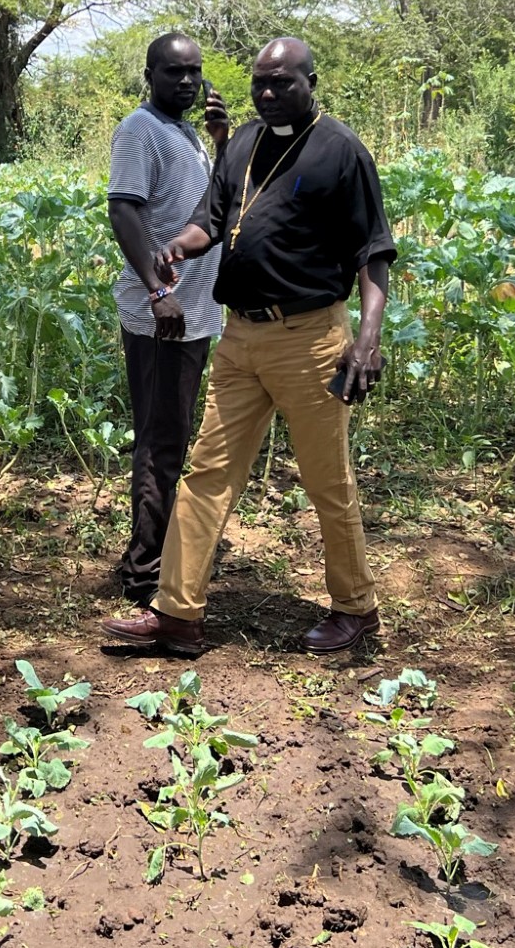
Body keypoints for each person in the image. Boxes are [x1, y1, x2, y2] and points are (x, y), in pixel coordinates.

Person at [100, 37, 396, 657]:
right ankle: (177, 615)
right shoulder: (243, 142)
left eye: (281, 83)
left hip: (310, 338)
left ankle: (355, 608)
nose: (267, 93)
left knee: (326, 480)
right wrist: (182, 244)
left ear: (311, 81)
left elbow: (373, 253)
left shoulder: (340, 151)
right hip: (241, 337)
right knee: (206, 473)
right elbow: (211, 218)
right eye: (260, 82)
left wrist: (366, 341)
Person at [106, 33, 230, 605]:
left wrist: (221, 141)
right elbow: (123, 208)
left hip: (195, 312)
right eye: (173, 72)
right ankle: (143, 570)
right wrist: (158, 291)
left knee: (174, 435)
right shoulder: (140, 128)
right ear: (149, 75)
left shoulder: (187, 133)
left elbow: (212, 207)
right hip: (164, 314)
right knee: (161, 440)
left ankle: (156, 553)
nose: (185, 81)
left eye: (194, 72)